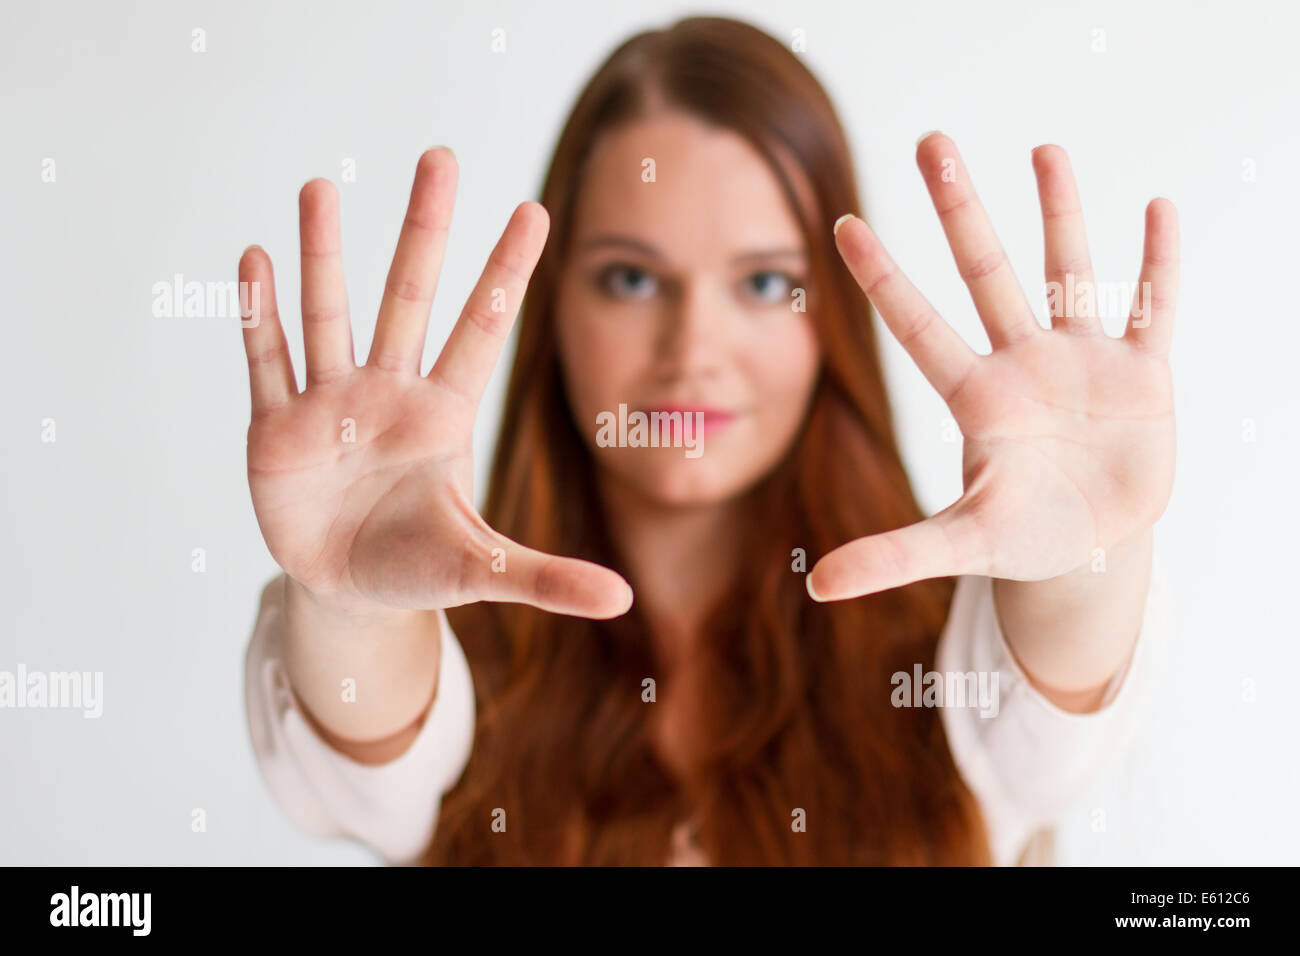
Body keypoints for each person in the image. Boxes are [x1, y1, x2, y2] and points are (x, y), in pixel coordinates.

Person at [239, 16, 1177, 865]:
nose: (691, 353)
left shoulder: (946, 667)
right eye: (633, 280)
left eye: (764, 285)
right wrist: (352, 608)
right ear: (553, 307)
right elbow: (369, 747)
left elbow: (1056, 719)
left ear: (832, 322)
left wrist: (1092, 555)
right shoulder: (446, 654)